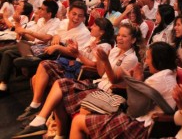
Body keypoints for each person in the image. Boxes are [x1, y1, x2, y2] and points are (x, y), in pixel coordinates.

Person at [12, 23, 144, 138]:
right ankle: (42, 121)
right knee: (60, 84)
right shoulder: (115, 50)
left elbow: (113, 80)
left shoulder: (131, 58)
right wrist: (95, 55)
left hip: (109, 93)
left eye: (124, 36)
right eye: (119, 35)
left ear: (132, 40)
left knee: (61, 87)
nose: (119, 38)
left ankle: (53, 129)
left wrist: (104, 61)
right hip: (97, 84)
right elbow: (101, 72)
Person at [68, 41, 177, 139]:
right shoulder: (167, 75)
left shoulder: (159, 79)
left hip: (140, 127)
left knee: (78, 121)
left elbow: (134, 110)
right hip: (138, 119)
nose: (146, 62)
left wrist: (134, 81)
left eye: (148, 58)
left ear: (158, 60)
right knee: (86, 107)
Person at [16, 18, 115, 121]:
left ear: (102, 31)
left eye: (95, 26)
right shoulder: (93, 39)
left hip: (81, 72)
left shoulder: (104, 46)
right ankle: (40, 111)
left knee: (44, 65)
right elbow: (83, 53)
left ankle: (38, 108)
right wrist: (74, 48)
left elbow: (93, 65)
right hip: (74, 64)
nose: (91, 27)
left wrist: (77, 54)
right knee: (36, 77)